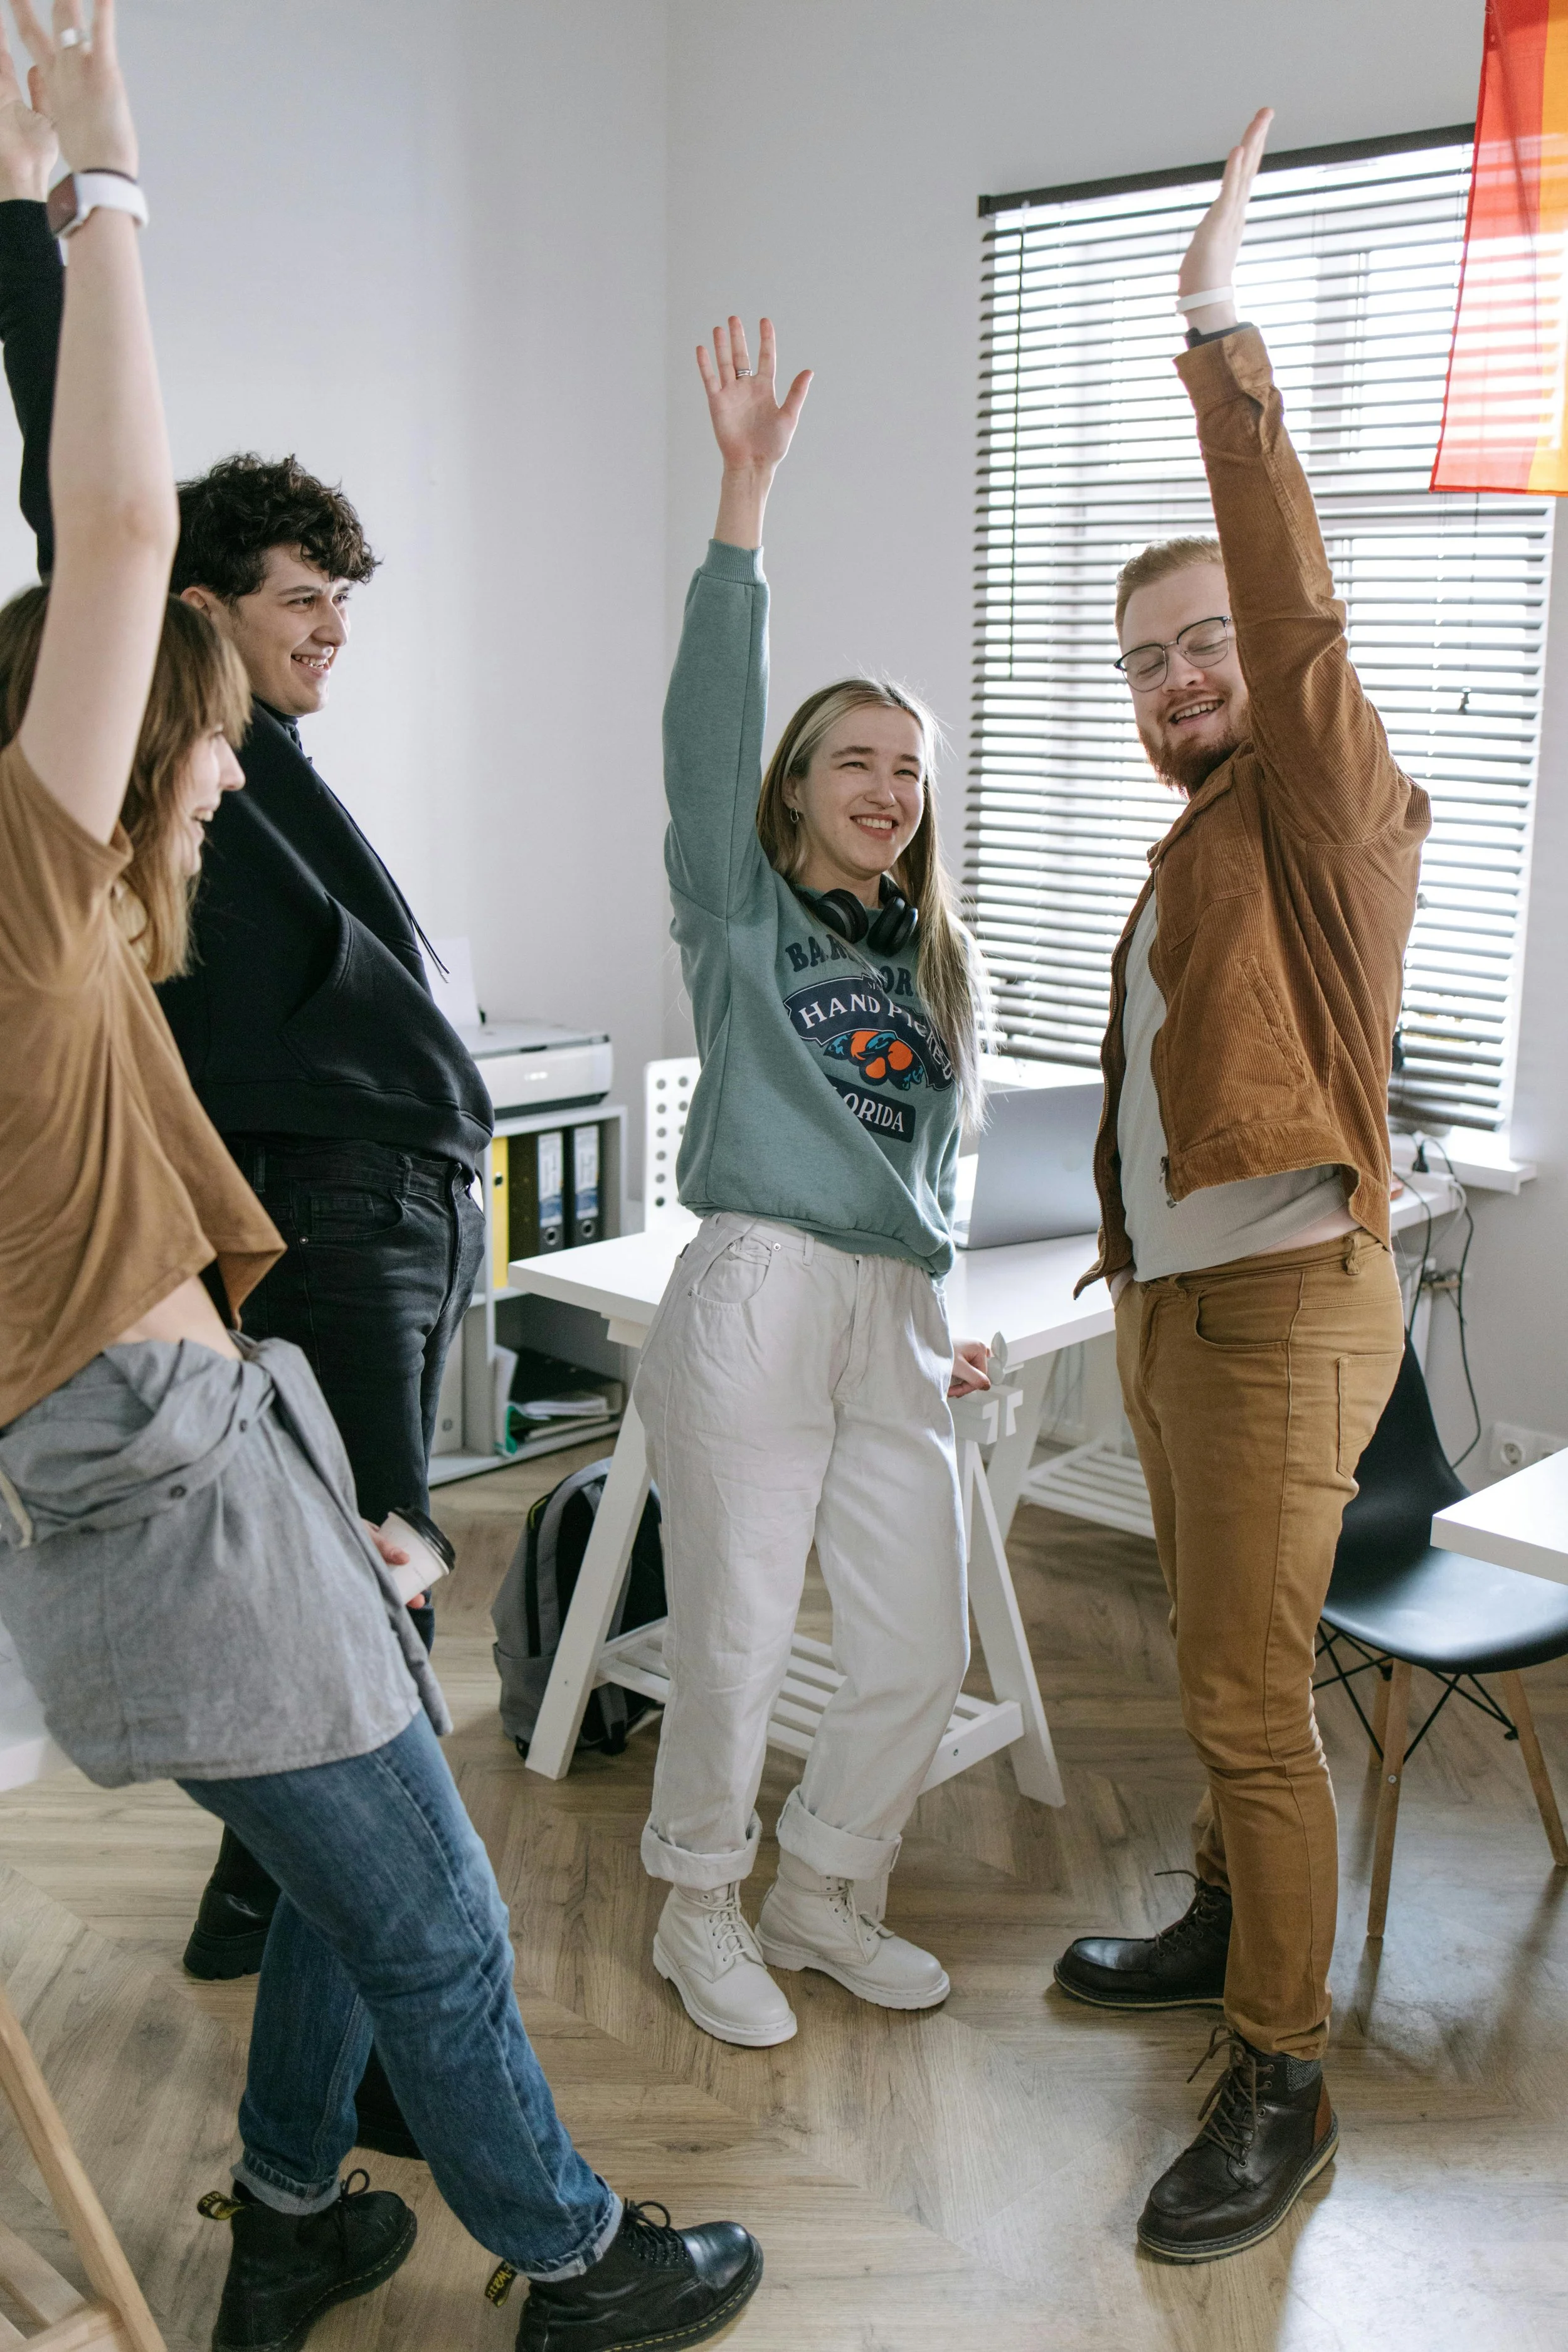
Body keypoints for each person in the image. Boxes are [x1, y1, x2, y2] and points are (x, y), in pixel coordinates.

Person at [0, 9, 762, 2349]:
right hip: (174, 1473)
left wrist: (318, 1478)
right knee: (430, 1900)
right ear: (143, 722)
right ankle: (573, 2257)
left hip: (196, 1445)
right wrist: (90, 180)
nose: (233, 785)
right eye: (213, 738)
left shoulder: (92, 949)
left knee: (364, 1839)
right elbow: (109, 521)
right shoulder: (31, 908)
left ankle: (299, 2192)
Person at [0, 39, 489, 2019]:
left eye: (348, 605)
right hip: (337, 1212)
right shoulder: (169, 755)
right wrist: (63, 196)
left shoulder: (257, 777)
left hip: (387, 1208)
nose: (330, 634)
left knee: (350, 1622)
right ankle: (395, 2023)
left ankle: (298, 1940)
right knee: (366, 1649)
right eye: (301, 598)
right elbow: (94, 519)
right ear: (202, 613)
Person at [1050, 110, 1429, 2263]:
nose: (1186, 675)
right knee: (1217, 1674)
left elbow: (1285, 608)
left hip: (1284, 1308)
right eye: (1149, 659)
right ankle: (1222, 1923)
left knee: (1243, 1698)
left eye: (1205, 641)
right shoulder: (1190, 851)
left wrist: (1215, 327)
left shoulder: (1324, 807)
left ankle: (1279, 2074)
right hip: (1178, 1310)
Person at [640, 314, 993, 2052]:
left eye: (908, 770)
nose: (886, 787)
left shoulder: (940, 963)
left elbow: (931, 1162)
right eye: (853, 758)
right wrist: (743, 501)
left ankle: (822, 1885)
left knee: (918, 1643)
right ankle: (696, 1902)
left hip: (890, 1311)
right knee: (735, 1634)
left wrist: (940, 1306)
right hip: (759, 1287)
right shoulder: (738, 907)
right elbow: (702, 742)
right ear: (794, 787)